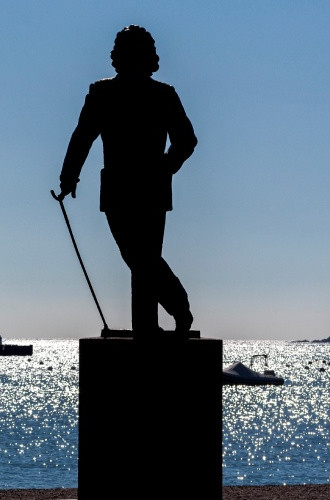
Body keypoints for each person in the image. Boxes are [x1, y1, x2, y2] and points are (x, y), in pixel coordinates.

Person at [57, 25, 198, 335]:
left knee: (143, 258)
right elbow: (83, 136)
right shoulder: (102, 92)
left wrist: (165, 167)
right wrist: (69, 176)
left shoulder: (164, 94)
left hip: (149, 189)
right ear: (117, 57)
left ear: (147, 59)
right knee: (136, 256)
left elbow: (186, 139)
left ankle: (172, 311)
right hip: (121, 190)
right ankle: (159, 318)